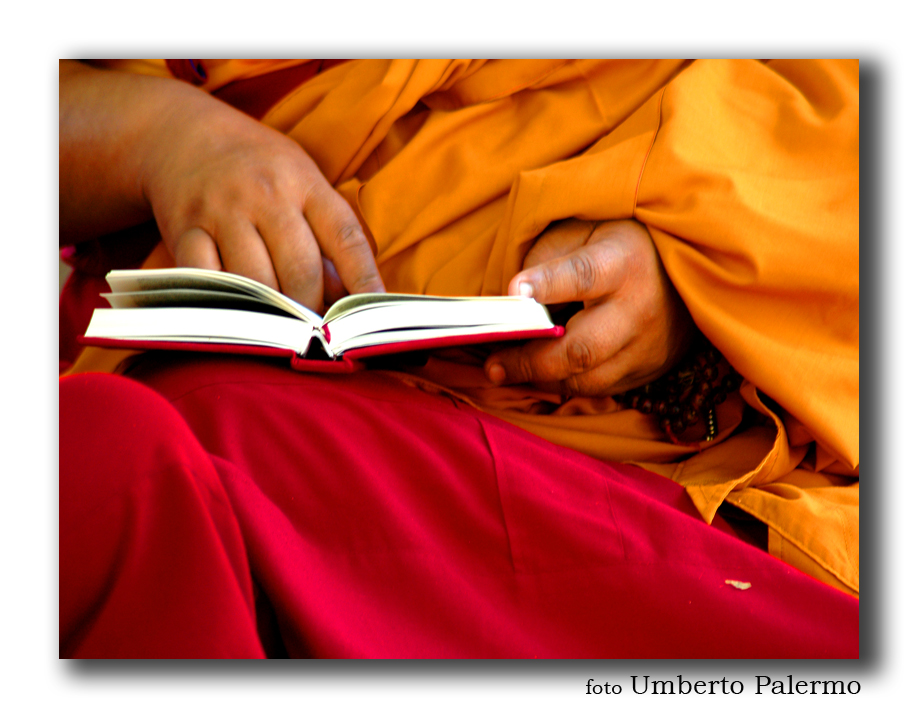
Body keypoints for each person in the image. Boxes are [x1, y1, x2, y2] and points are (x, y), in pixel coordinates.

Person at [59, 59, 859, 658]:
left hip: (664, 462)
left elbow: (840, 120)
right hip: (261, 396)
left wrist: (693, 269)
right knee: (124, 465)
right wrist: (169, 137)